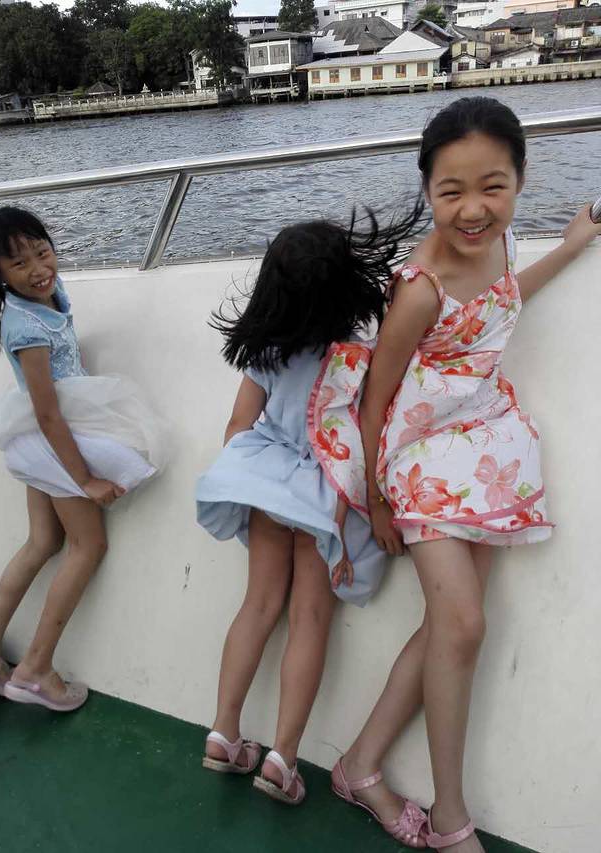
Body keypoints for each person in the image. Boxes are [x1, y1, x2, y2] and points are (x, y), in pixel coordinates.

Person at [329, 97, 601, 851]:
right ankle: (451, 814)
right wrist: (378, 501)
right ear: (428, 189)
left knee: (449, 625)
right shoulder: (420, 286)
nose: (474, 210)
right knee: (466, 623)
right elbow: (377, 397)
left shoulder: (501, 243)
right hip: (416, 455)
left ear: (520, 181)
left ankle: (358, 765)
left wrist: (573, 246)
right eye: (452, 192)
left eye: (493, 187)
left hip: (482, 441)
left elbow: (503, 302)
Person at [196, 206, 423, 805]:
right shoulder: (359, 354)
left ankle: (223, 733)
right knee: (310, 618)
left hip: (270, 483)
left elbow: (239, 425)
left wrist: (254, 479)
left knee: (257, 605)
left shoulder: (268, 348)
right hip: (326, 497)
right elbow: (365, 435)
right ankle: (283, 758)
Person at [0, 207, 167, 712]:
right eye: (19, 263)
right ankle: (35, 668)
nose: (38, 269)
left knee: (42, 541)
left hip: (42, 439)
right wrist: (86, 480)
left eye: (42, 252)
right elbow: (48, 412)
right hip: (55, 443)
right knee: (87, 545)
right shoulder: (25, 326)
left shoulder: (46, 297)